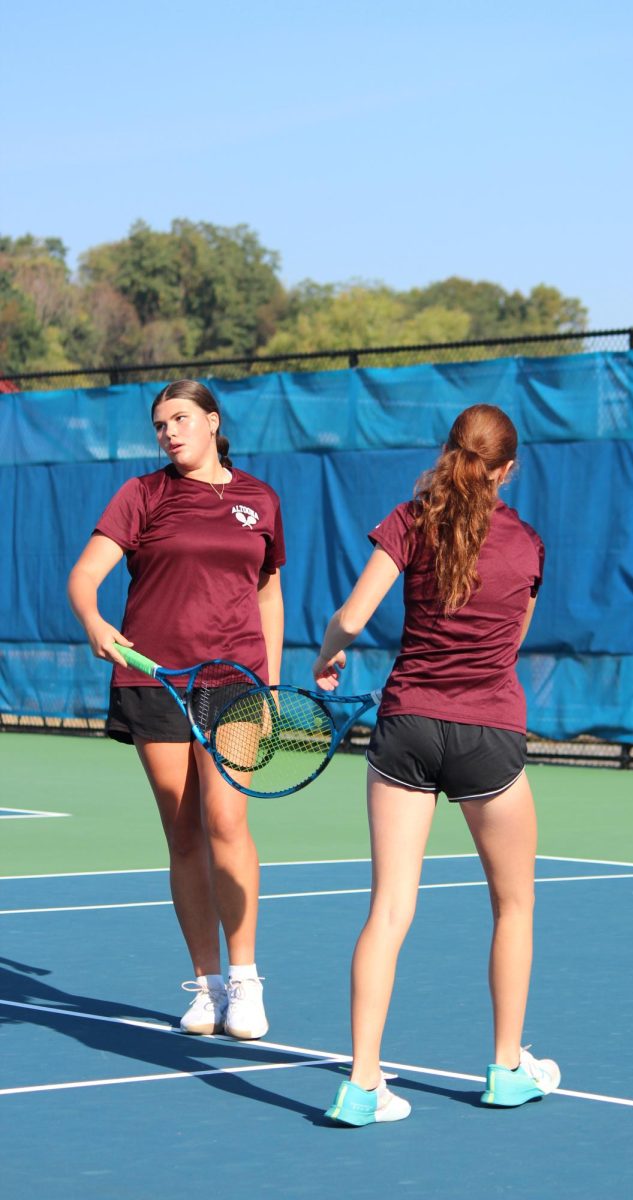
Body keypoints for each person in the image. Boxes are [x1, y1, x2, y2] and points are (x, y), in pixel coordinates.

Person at [312, 403, 560, 1126]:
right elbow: (510, 646)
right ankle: (508, 1067)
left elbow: (353, 619)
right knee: (514, 904)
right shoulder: (529, 546)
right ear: (507, 470)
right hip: (488, 735)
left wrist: (327, 658)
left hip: (408, 729)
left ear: (449, 452)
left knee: (388, 909)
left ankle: (362, 1084)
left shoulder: (408, 519)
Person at [67, 379, 284, 1040]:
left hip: (237, 682)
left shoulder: (260, 500)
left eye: (181, 419)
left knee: (227, 820)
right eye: (161, 424)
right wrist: (94, 623)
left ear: (212, 422)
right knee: (184, 831)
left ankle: (246, 981)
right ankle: (208, 985)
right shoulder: (143, 496)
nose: (169, 432)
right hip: (154, 681)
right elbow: (84, 576)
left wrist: (271, 684)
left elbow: (268, 591)